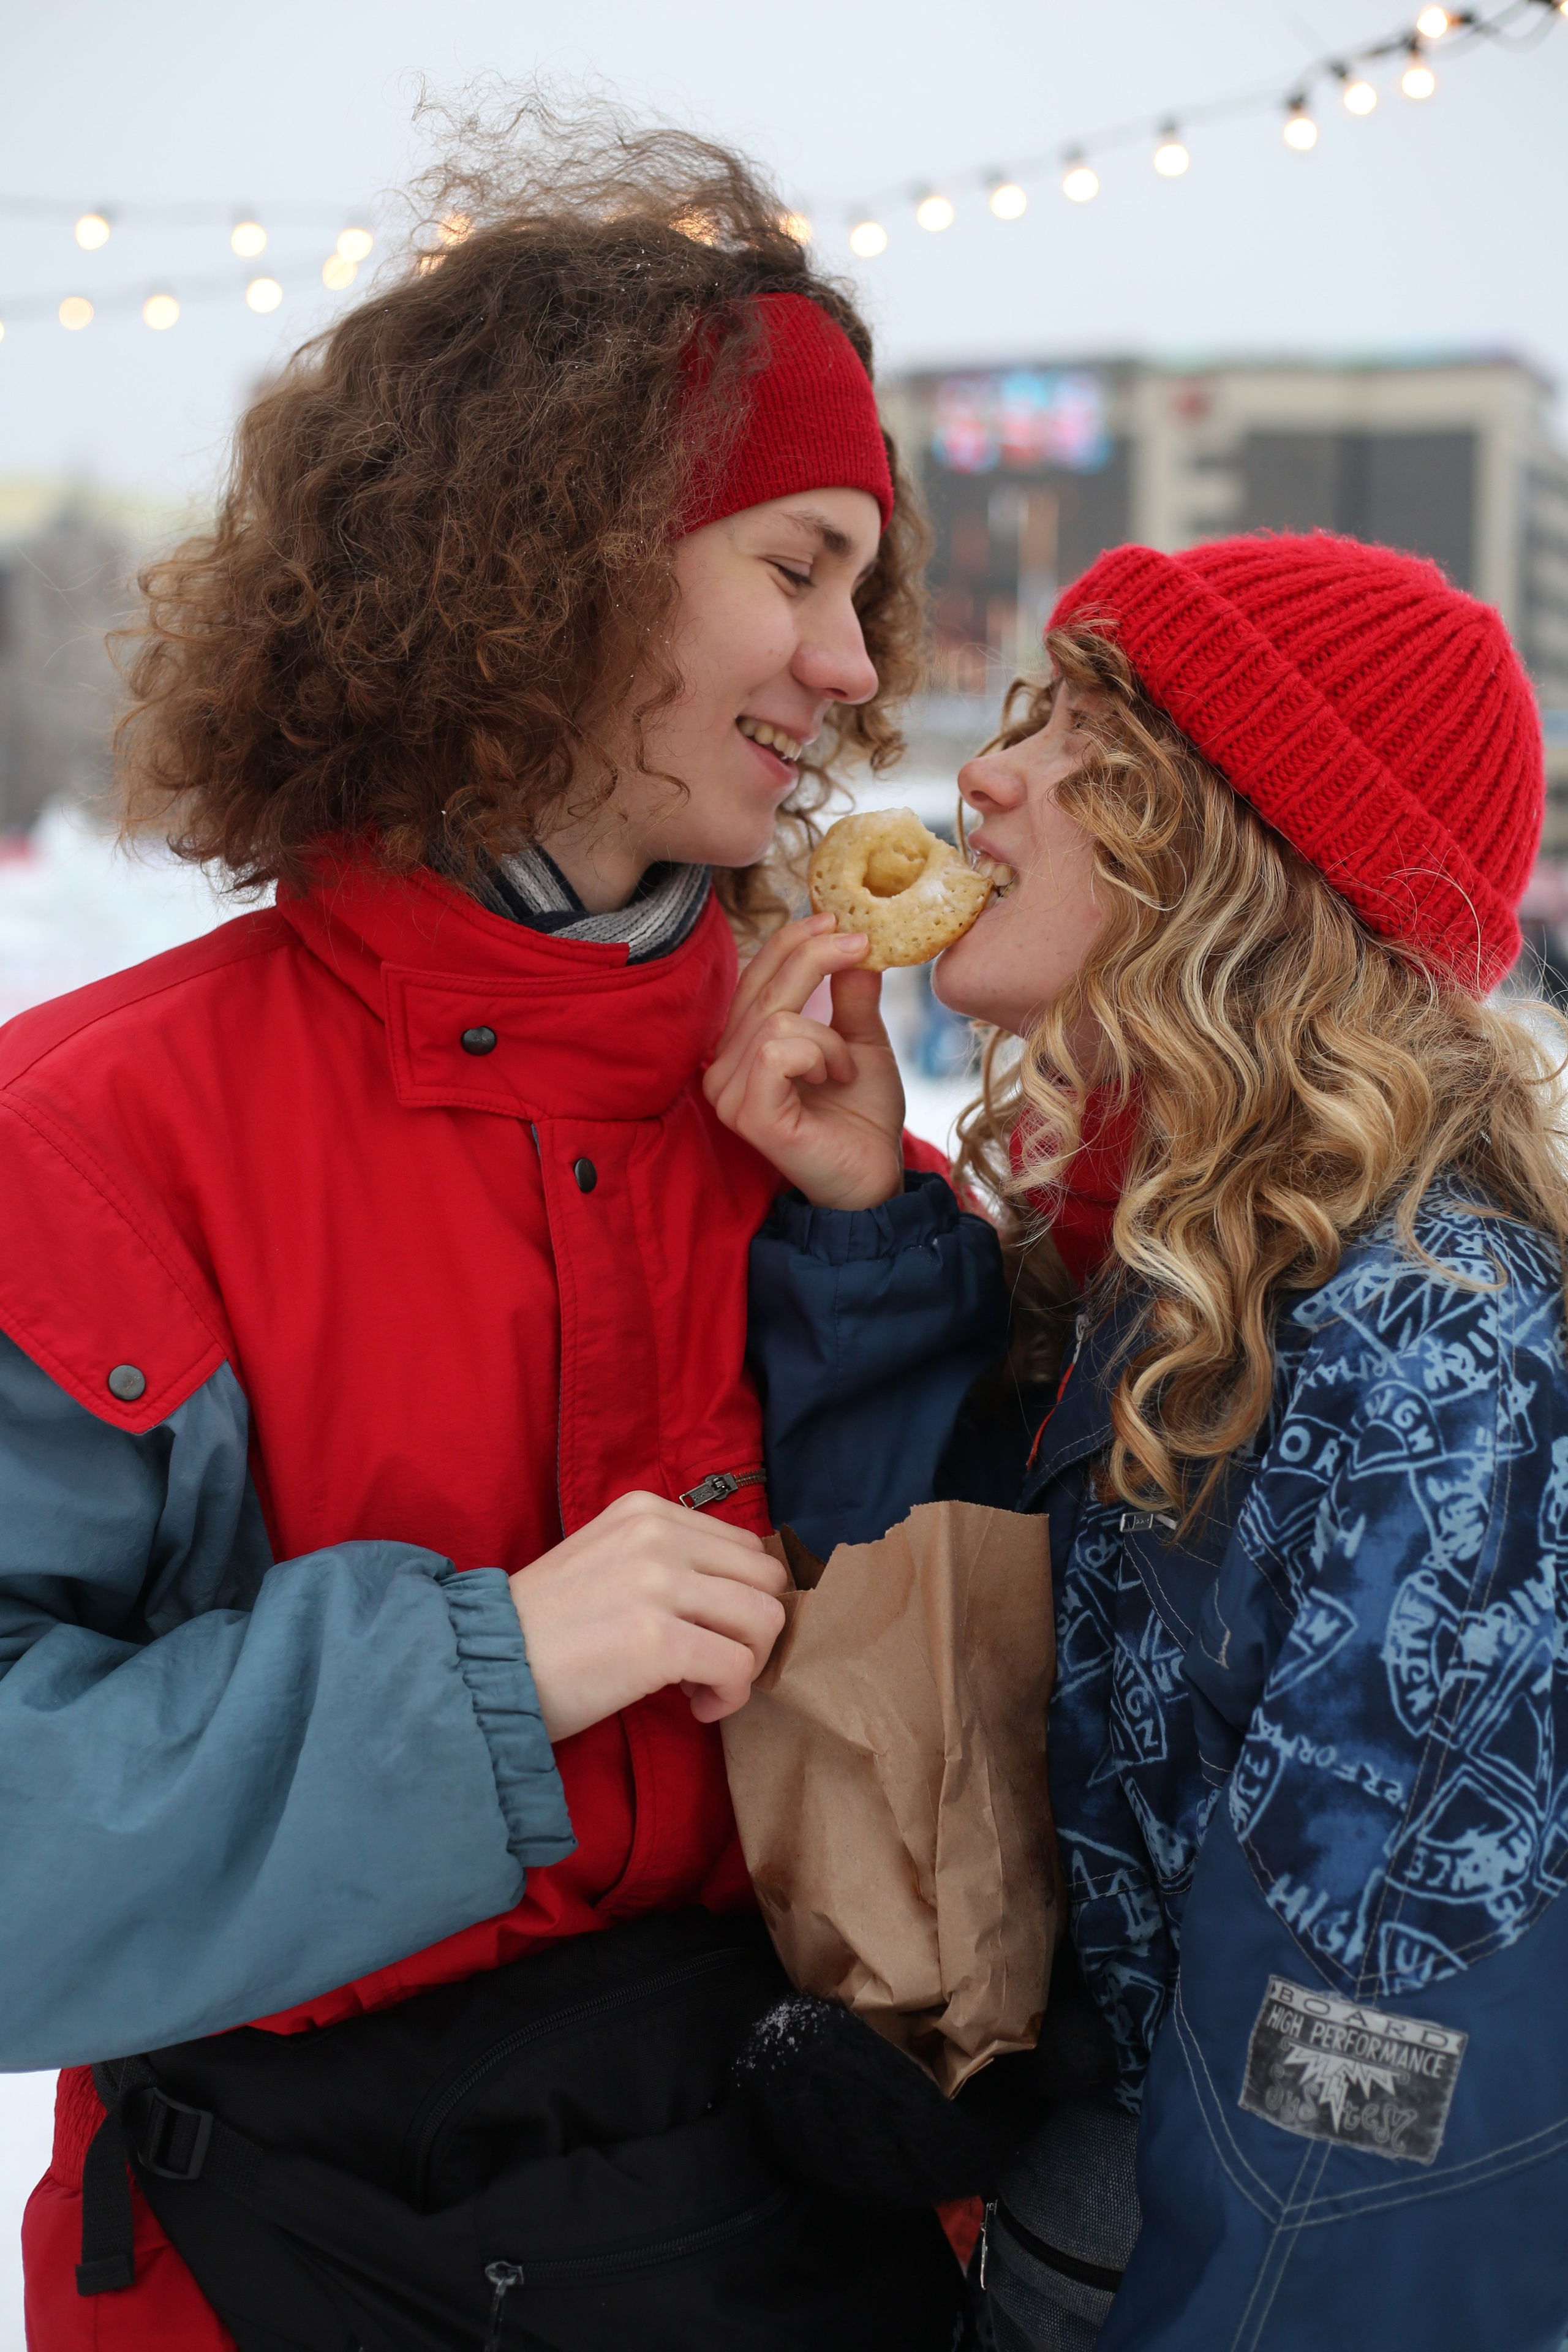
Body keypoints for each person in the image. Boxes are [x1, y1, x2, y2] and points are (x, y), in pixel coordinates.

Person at [0, 109, 964, 2351]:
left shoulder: (827, 1116)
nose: (850, 670)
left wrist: (881, 1259)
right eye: (797, 567)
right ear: (568, 555)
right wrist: (488, 1682)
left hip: (786, 2237)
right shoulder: (100, 1135)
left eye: (861, 590)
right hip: (277, 2265)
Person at [709, 531, 1568, 2350]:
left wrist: (1149, 2247)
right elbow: (973, 1638)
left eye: (1089, 736)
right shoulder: (1178, 1261)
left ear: (1239, 855)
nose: (987, 776)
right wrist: (871, 1219)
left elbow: (1378, 2049)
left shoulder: (1432, 1339)